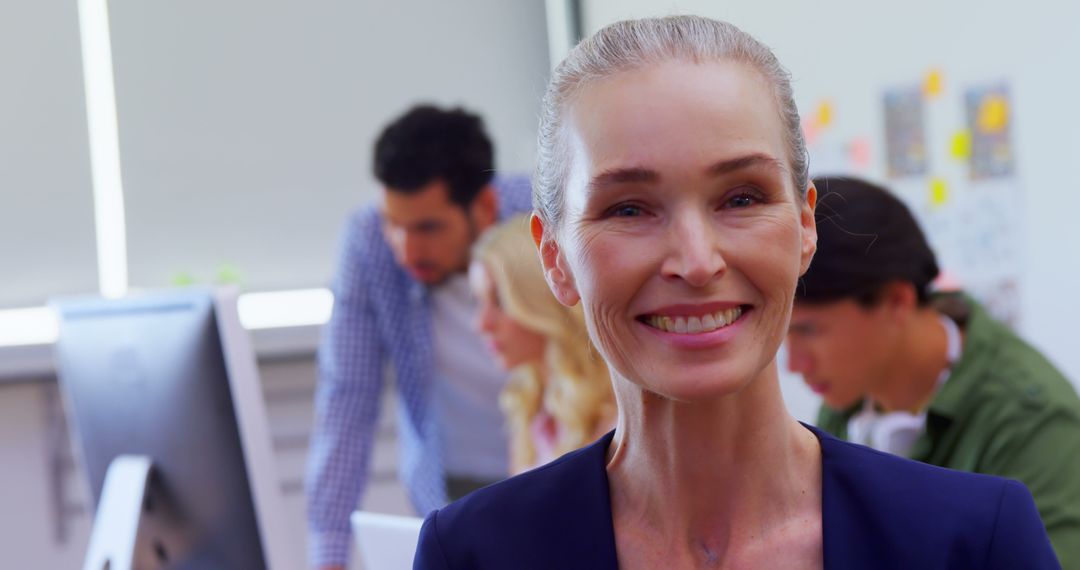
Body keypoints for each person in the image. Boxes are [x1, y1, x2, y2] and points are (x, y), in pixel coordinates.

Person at [412, 15, 1059, 569]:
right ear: (554, 256)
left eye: (741, 198)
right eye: (630, 209)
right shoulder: (474, 552)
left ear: (805, 226)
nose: (697, 261)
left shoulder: (974, 541)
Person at [786, 175, 1080, 567]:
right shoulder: (848, 394)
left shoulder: (1035, 424)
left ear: (896, 301)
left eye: (808, 330)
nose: (792, 364)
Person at [305, 105, 532, 570]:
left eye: (428, 227)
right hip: (450, 488)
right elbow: (346, 400)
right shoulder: (368, 242)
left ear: (484, 207)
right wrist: (328, 553)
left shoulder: (546, 219)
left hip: (552, 463)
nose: (406, 248)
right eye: (395, 223)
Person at [469, 214, 616, 474]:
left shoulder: (612, 412)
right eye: (478, 302)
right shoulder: (528, 403)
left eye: (500, 302)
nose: (482, 324)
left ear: (541, 300)